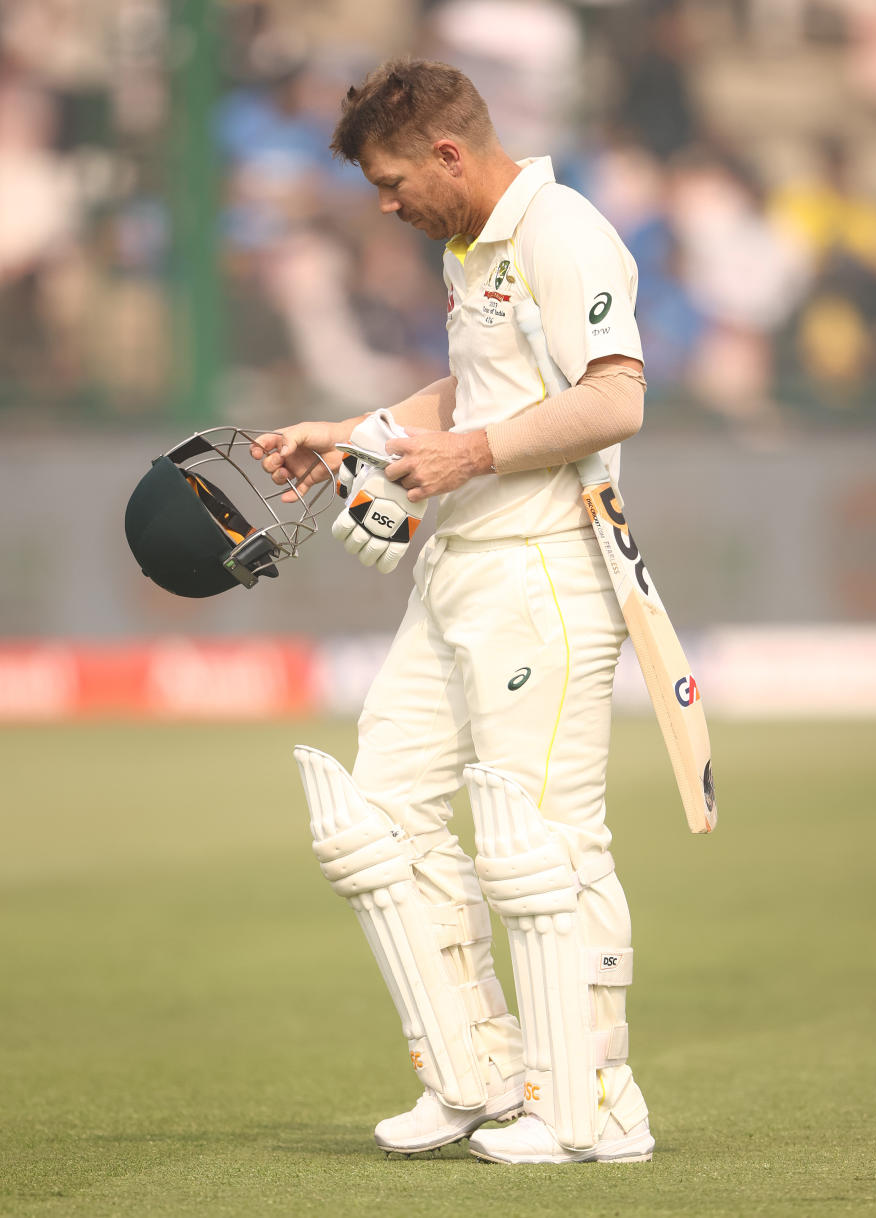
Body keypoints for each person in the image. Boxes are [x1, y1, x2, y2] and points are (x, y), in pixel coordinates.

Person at [251, 58, 652, 1165]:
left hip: (547, 572)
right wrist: (348, 432)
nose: (386, 206)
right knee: (381, 815)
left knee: (541, 841)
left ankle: (598, 1101)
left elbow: (618, 394)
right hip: (459, 570)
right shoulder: (468, 246)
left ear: (448, 153)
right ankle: (477, 1074)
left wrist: (464, 454)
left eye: (391, 182)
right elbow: (474, 397)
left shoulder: (562, 231)